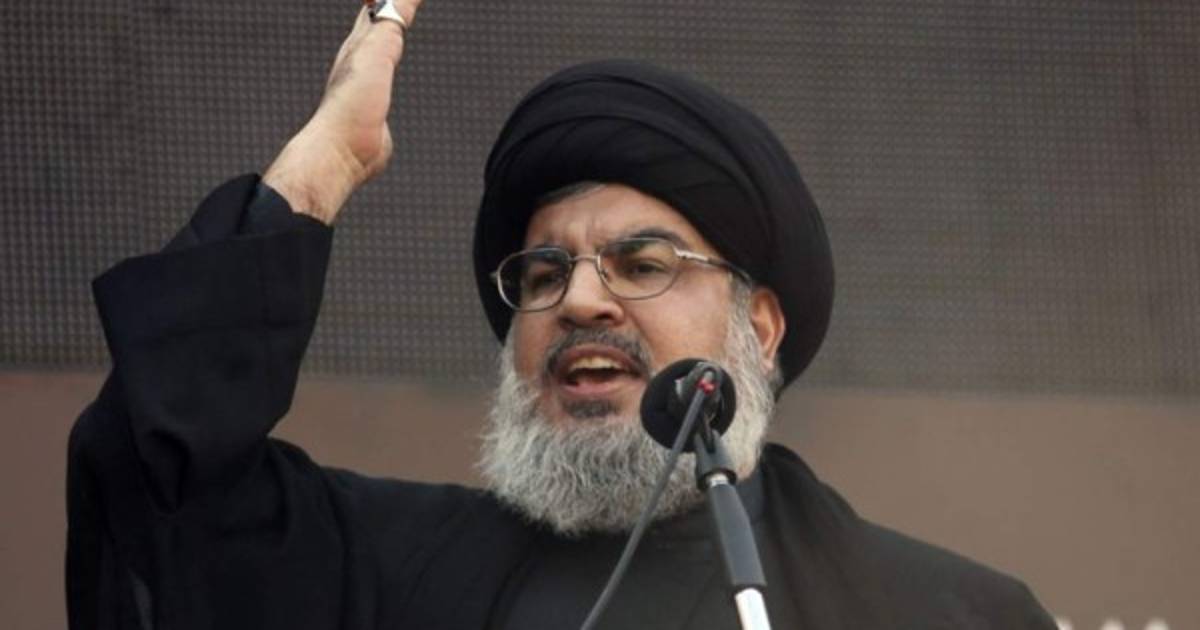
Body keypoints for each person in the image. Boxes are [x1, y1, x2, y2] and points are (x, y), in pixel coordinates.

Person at [66, 1, 1057, 628]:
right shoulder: (387, 572)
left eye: (642, 264)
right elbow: (156, 481)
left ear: (758, 330)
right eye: (542, 276)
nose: (579, 299)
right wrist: (322, 168)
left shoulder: (945, 613)